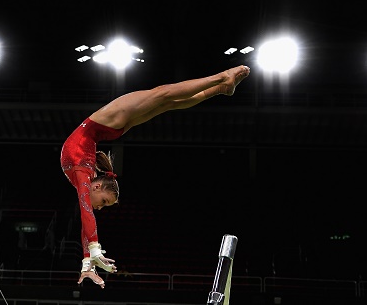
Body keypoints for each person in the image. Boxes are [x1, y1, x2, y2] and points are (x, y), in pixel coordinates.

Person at [60, 65, 250, 288]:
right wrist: (87, 264)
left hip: (104, 123)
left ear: (97, 186)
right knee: (165, 102)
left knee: (163, 95)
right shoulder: (83, 178)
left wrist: (91, 255)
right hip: (109, 125)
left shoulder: (83, 176)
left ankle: (220, 79)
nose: (99, 207)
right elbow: (86, 219)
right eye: (104, 205)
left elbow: (86, 214)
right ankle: (220, 88)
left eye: (103, 203)